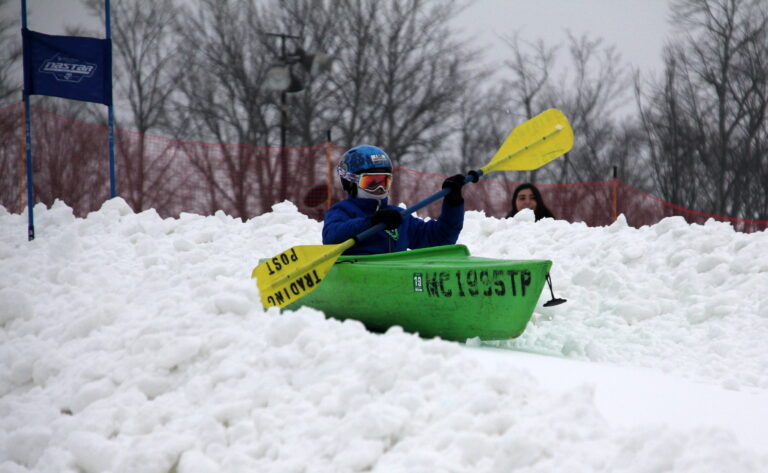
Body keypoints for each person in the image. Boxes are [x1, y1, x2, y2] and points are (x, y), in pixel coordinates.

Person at [322, 145, 465, 255]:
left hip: (395, 281)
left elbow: (439, 239)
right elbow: (332, 237)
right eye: (371, 182)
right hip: (356, 281)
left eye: (384, 181)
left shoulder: (399, 216)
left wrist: (453, 203)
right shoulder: (342, 211)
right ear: (350, 182)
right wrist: (371, 222)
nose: (379, 188)